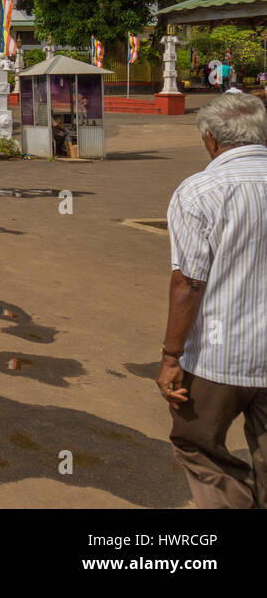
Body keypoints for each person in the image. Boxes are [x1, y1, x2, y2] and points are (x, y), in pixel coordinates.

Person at [160, 92, 267, 507]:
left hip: (220, 357)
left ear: (210, 138)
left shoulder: (200, 191)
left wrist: (171, 358)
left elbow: (188, 282)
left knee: (197, 444)